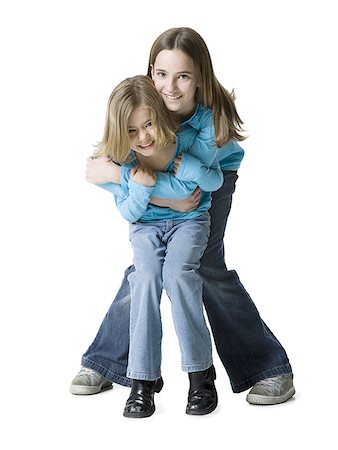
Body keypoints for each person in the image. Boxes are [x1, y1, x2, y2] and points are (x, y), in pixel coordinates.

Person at [70, 27, 295, 406]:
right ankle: (109, 361)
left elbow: (194, 189)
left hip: (212, 180)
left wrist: (121, 177)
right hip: (170, 194)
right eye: (161, 74)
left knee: (201, 265)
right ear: (150, 72)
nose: (170, 88)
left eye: (183, 76)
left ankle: (268, 367)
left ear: (199, 78)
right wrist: (124, 177)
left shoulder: (211, 118)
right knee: (147, 269)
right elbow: (107, 162)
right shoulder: (142, 102)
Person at [93, 74, 223, 417]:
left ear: (159, 117)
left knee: (179, 275)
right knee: (146, 278)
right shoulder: (123, 157)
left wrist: (142, 185)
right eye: (133, 131)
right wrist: (137, 185)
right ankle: (142, 380)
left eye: (148, 124)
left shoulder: (182, 142)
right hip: (145, 230)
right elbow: (129, 211)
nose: (144, 137)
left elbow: (194, 193)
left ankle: (201, 375)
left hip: (190, 222)